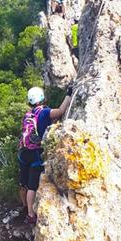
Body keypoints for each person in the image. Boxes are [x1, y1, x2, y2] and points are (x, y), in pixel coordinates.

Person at [19, 85, 73, 224]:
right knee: (32, 187)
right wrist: (68, 94)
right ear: (42, 98)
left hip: (23, 153)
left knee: (23, 184)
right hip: (35, 154)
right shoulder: (44, 112)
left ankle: (25, 206)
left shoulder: (27, 115)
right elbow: (61, 111)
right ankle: (30, 215)